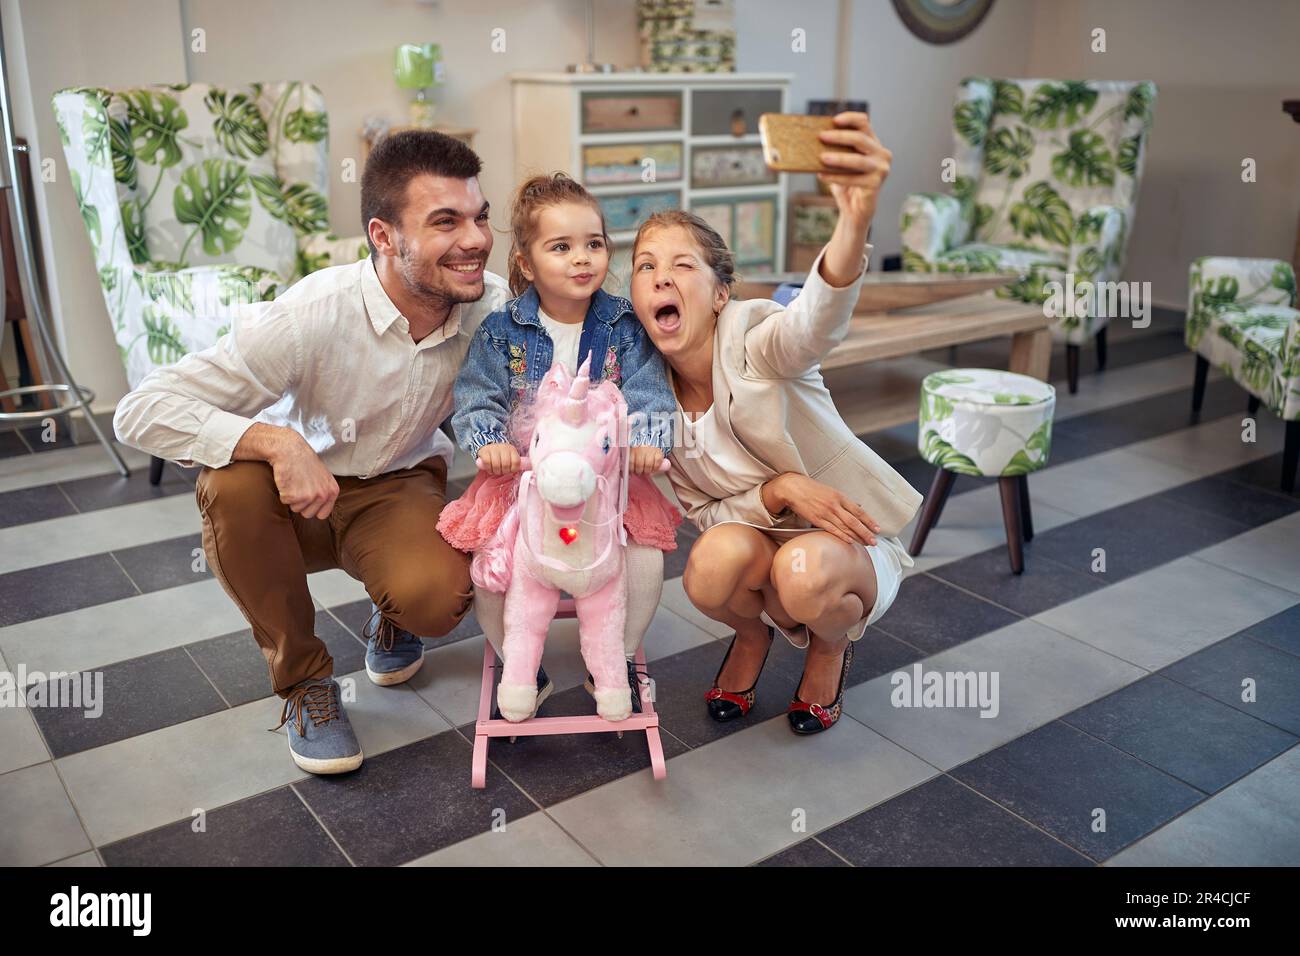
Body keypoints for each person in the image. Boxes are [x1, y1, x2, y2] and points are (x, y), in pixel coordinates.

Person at [112, 130, 510, 773]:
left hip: (397, 483)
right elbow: (140, 408)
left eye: (480, 216)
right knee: (231, 486)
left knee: (435, 601)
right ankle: (305, 684)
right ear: (384, 236)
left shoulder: (491, 308)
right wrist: (274, 442)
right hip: (292, 492)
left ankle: (393, 607)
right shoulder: (311, 314)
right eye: (446, 222)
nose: (476, 240)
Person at [628, 113, 923, 735]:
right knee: (707, 566)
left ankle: (829, 646)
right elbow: (703, 513)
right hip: (762, 539)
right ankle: (751, 637)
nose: (660, 276)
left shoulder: (756, 340)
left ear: (719, 294)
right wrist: (780, 490)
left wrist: (855, 219)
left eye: (683, 265)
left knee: (804, 576)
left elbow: (815, 320)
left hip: (846, 543)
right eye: (646, 265)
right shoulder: (647, 396)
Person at [440, 173, 680, 717]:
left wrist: (643, 441)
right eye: (561, 247)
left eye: (594, 244)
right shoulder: (501, 331)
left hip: (609, 478)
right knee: (492, 570)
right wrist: (490, 442)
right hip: (524, 477)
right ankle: (519, 660)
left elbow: (650, 393)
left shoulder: (623, 325)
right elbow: (476, 396)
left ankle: (615, 659)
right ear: (526, 263)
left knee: (642, 560)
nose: (582, 259)